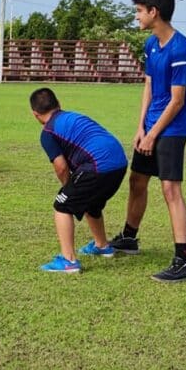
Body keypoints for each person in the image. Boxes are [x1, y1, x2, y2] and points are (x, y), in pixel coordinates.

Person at [108, 0, 186, 283]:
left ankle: (182, 262)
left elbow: (177, 100)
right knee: (137, 181)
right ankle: (129, 238)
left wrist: (153, 133)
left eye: (139, 11)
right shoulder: (151, 44)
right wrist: (140, 127)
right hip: (150, 128)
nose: (137, 17)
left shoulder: (181, 49)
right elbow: (148, 86)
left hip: (171, 130)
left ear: (153, 12)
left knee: (171, 190)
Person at [30, 88, 128, 273]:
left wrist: (68, 190)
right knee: (92, 204)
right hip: (120, 163)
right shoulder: (73, 116)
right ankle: (102, 246)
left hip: (98, 166)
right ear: (58, 103)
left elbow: (61, 167)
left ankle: (68, 261)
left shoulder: (48, 132)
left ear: (35, 114)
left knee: (62, 206)